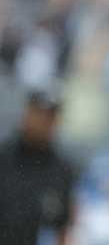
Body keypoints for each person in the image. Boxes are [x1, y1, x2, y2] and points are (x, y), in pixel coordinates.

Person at [0, 87, 77, 245]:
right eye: (39, 113)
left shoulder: (62, 170)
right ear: (27, 114)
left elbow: (62, 228)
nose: (44, 122)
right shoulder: (3, 157)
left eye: (50, 116)